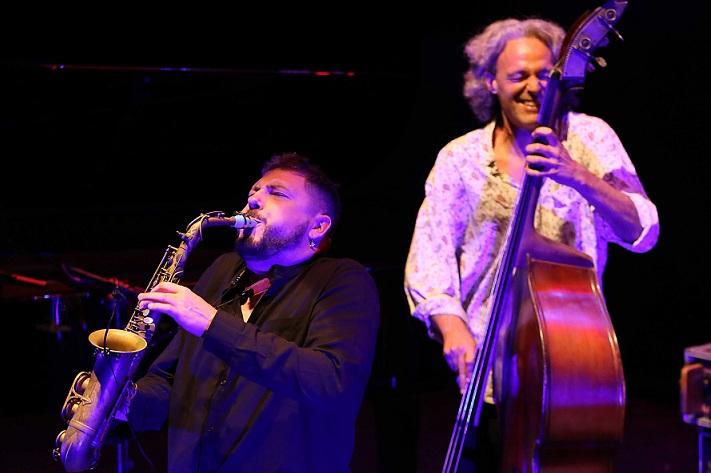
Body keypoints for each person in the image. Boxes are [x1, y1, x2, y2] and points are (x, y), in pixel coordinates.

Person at [404, 17, 659, 468]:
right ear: (491, 82)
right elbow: (431, 254)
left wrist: (575, 174)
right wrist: (451, 326)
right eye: (518, 75)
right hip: (485, 365)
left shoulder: (591, 137)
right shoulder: (459, 157)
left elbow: (643, 231)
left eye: (545, 73)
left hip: (571, 361)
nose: (533, 87)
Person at [125, 152, 380, 473]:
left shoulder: (343, 280)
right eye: (253, 193)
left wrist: (211, 322)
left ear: (317, 226)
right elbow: (170, 381)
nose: (254, 201)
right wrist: (123, 402)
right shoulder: (221, 271)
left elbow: (331, 381)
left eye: (277, 193)